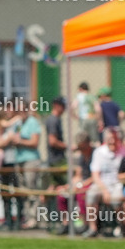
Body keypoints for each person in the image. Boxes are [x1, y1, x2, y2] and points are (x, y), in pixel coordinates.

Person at [83, 128, 125, 237]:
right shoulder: (99, 152)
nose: (112, 141)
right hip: (101, 184)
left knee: (117, 199)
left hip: (117, 184)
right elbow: (95, 176)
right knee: (91, 194)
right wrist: (104, 190)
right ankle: (92, 228)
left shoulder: (124, 151)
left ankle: (121, 227)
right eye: (110, 139)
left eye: (114, 138)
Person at [13, 103, 44, 229]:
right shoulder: (18, 124)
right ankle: (27, 217)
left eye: (22, 109)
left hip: (31, 160)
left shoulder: (33, 122)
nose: (21, 112)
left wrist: (20, 141)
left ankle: (35, 218)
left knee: (32, 191)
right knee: (24, 191)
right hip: (19, 160)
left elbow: (35, 142)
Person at [45, 97, 69, 227]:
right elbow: (52, 141)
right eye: (63, 106)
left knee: (55, 188)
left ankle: (55, 220)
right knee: (64, 187)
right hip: (57, 161)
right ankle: (56, 220)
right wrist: (68, 146)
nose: (64, 109)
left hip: (55, 160)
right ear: (56, 105)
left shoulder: (55, 120)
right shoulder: (53, 120)